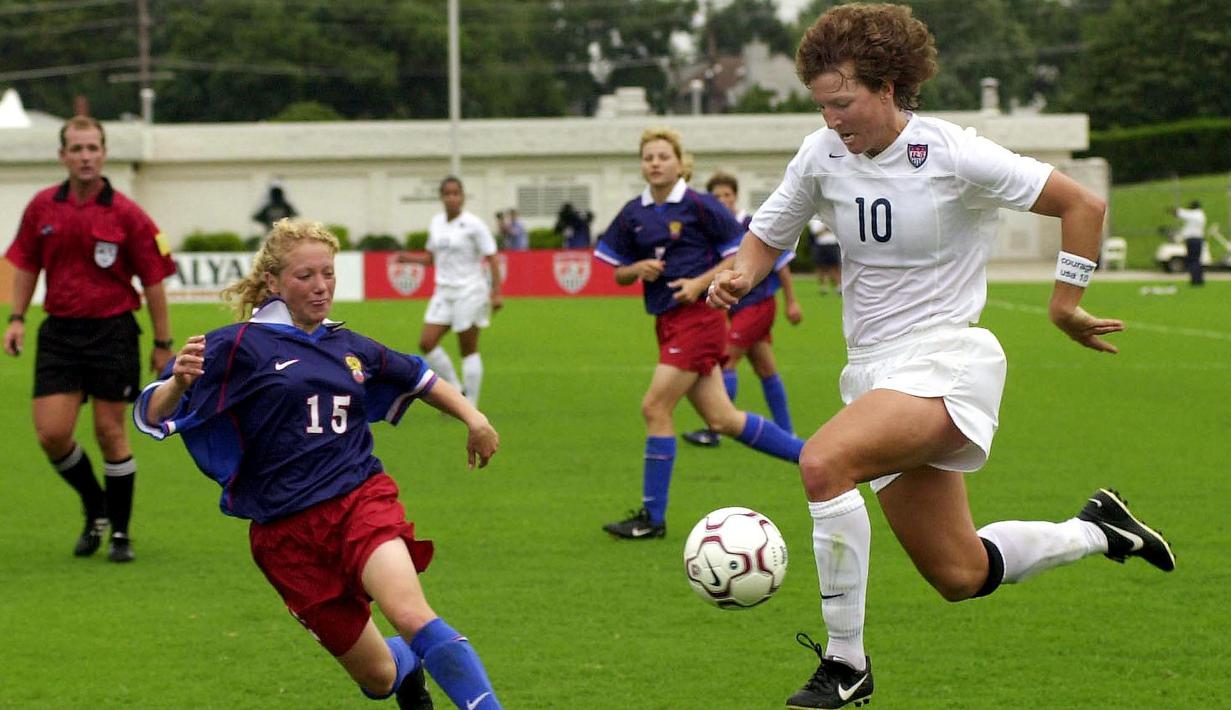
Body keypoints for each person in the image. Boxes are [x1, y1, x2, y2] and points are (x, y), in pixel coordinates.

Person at [706, 6, 1174, 708]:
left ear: (888, 86)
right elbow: (768, 233)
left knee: (823, 463)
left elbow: (1082, 205)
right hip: (873, 374)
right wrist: (741, 273)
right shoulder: (820, 154)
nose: (832, 119)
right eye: (822, 106)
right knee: (959, 573)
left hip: (947, 361)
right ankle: (1097, 530)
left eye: (843, 103)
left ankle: (844, 663)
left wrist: (1063, 304)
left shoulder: (953, 153)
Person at [133, 219, 503, 710]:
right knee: (379, 677)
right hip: (286, 537)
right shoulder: (238, 345)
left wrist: (474, 418)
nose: (321, 286)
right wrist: (178, 384)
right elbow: (152, 414)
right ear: (273, 281)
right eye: (305, 276)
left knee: (412, 614)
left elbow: (419, 377)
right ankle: (408, 667)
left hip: (359, 502)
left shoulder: (348, 346)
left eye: (327, 273)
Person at [594, 128, 805, 540]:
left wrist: (698, 283)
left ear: (680, 163)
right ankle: (814, 456)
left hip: (699, 318)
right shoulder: (633, 212)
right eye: (648, 157)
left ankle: (652, 518)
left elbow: (738, 251)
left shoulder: (699, 204)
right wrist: (636, 269)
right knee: (723, 419)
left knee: (655, 407)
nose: (655, 163)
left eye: (663, 156)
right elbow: (618, 273)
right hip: (667, 321)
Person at [3, 115, 176, 563]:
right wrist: (17, 318)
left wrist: (163, 343)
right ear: (63, 156)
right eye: (77, 149)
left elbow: (153, 281)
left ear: (103, 153)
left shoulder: (127, 214)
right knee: (52, 434)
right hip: (60, 333)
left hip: (112, 331)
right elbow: (26, 265)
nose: (85, 156)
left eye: (92, 148)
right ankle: (95, 504)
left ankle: (119, 533)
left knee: (109, 431)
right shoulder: (42, 207)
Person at [683, 171, 803, 448]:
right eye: (716, 196)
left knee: (726, 359)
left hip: (758, 304)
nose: (722, 200)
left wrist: (792, 301)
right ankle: (788, 435)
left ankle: (714, 430)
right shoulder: (714, 229)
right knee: (765, 368)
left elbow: (781, 265)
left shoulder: (751, 224)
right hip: (738, 308)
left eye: (727, 194)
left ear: (735, 196)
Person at [398, 176, 502, 406]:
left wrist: (497, 292)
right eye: (447, 193)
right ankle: (456, 389)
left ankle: (470, 404)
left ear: (463, 197)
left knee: (467, 349)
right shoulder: (437, 223)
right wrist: (408, 259)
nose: (452, 198)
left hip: (470, 291)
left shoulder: (474, 224)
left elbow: (492, 257)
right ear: (441, 197)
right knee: (427, 342)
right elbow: (431, 258)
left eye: (456, 193)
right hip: (444, 292)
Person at [1173, 200, 1207, 286]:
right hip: (1199, 239)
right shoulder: (1201, 215)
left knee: (1192, 260)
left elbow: (1181, 213)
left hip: (1192, 240)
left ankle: (1194, 280)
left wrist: (1174, 210)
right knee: (1197, 260)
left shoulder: (1194, 214)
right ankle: (1199, 279)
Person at [808, 216, 841, 295]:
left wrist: (827, 228)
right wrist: (826, 227)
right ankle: (823, 287)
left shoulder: (833, 216)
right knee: (821, 267)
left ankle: (838, 286)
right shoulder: (814, 219)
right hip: (820, 245)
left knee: (835, 266)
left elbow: (837, 229)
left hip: (833, 244)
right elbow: (815, 232)